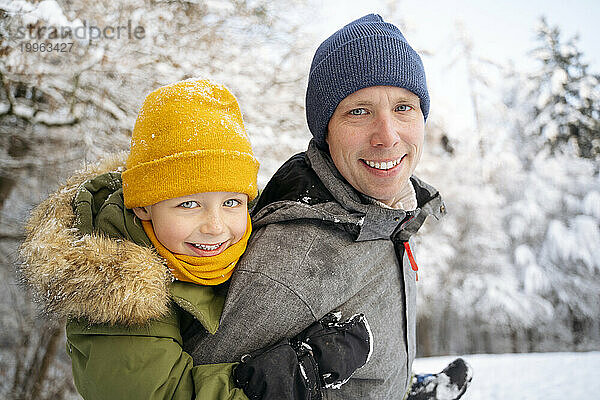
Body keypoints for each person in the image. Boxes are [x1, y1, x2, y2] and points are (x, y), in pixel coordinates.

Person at [18, 79, 372, 400]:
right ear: (143, 207)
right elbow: (162, 394)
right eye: (189, 204)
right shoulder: (118, 295)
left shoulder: (200, 247)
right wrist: (294, 374)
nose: (216, 226)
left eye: (231, 201)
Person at [185, 14, 472, 400]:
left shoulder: (384, 215)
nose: (387, 136)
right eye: (359, 111)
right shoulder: (298, 255)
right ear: (325, 129)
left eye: (404, 107)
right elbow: (193, 387)